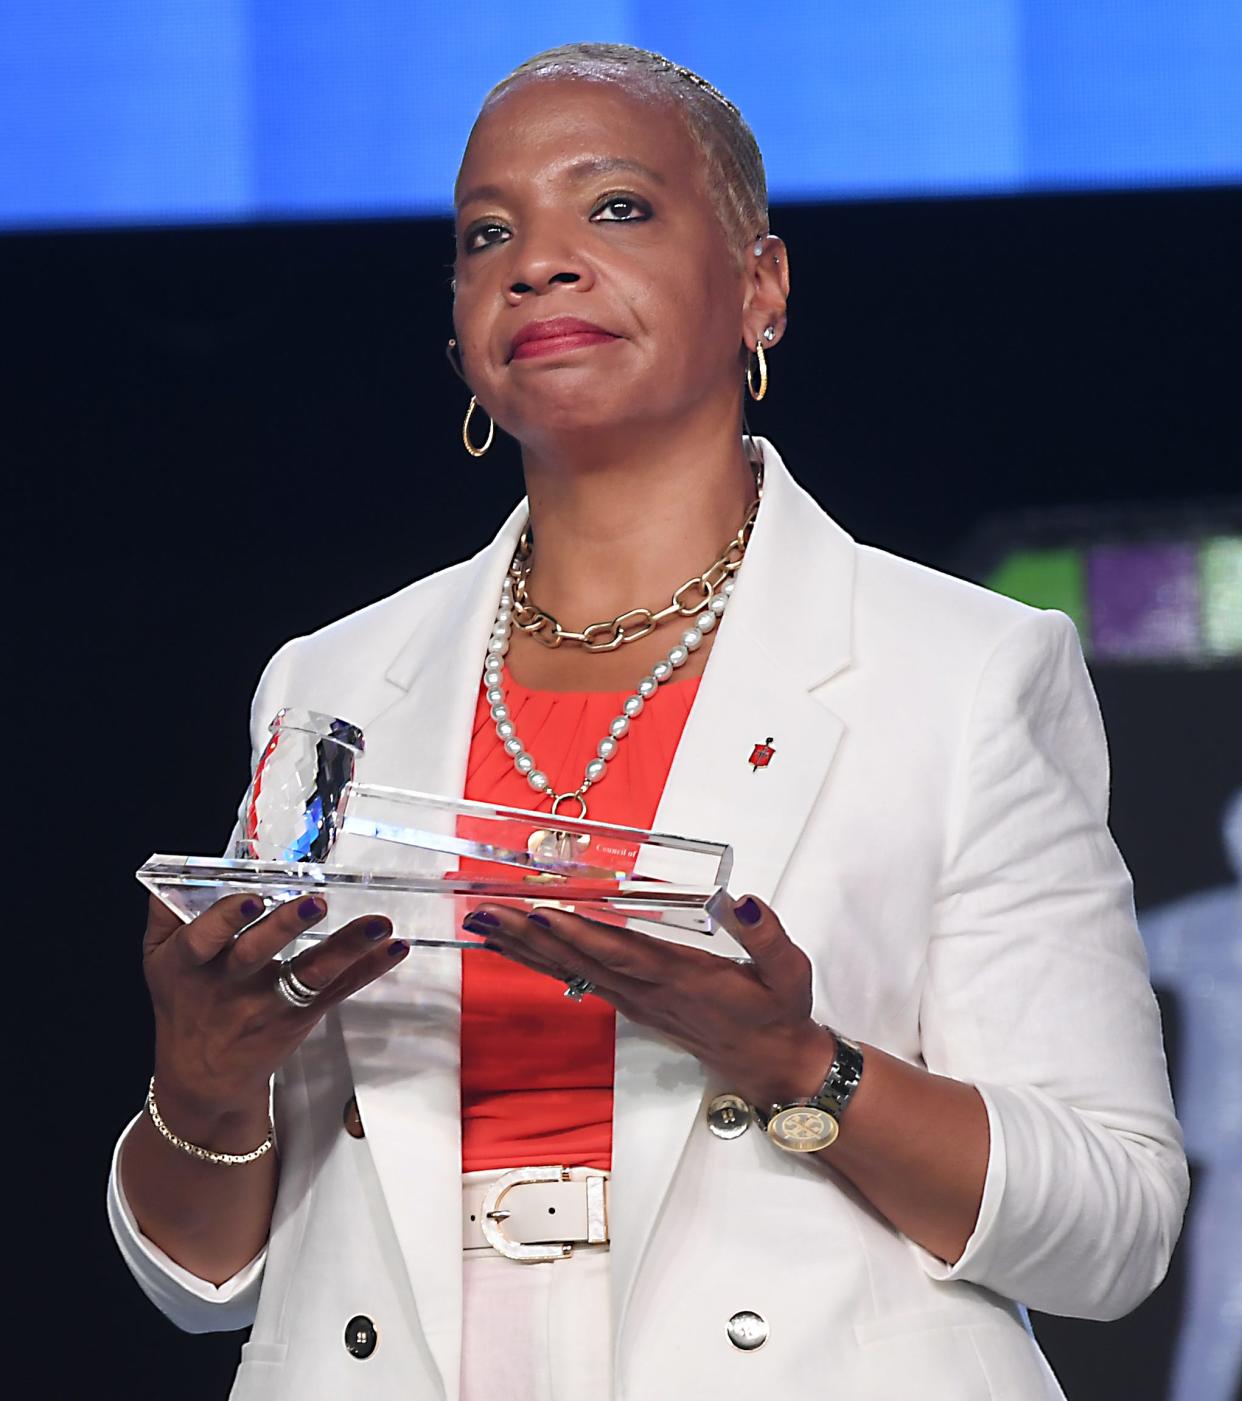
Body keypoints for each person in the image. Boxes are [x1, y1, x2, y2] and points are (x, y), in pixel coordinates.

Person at [109, 43, 1188, 1401]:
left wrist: (797, 1062)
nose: (538, 261)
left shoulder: (956, 667)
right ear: (459, 340)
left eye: (612, 208)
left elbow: (1114, 1226)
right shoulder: (331, 680)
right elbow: (205, 1284)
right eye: (486, 233)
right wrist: (203, 1084)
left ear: (759, 290)